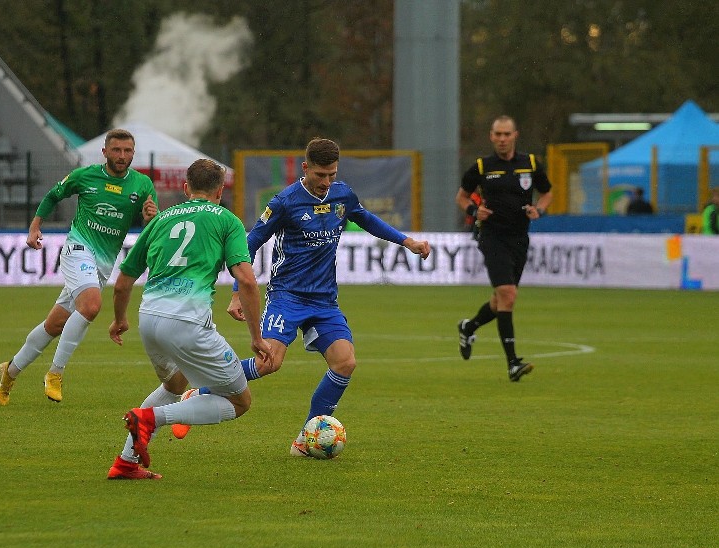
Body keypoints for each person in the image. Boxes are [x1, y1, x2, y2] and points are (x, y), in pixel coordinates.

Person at [226, 137, 431, 456]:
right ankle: (203, 388)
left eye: (332, 174)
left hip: (324, 301)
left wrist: (406, 242)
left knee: (345, 362)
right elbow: (250, 243)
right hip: (287, 296)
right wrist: (238, 292)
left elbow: (366, 219)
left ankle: (307, 440)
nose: (326, 182)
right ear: (305, 168)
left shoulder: (342, 195)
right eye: (320, 175)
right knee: (269, 363)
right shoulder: (284, 202)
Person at [108, 158, 273, 479]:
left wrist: (119, 320)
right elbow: (248, 281)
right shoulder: (227, 220)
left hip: (149, 319)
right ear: (220, 190)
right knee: (239, 401)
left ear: (186, 188)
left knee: (175, 381)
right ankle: (151, 418)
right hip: (186, 322)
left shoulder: (162, 218)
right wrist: (256, 337)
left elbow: (123, 280)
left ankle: (126, 463)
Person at [0, 128, 158, 405]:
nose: (121, 155)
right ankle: (55, 373)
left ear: (133, 153)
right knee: (92, 306)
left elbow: (151, 225)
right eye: (116, 150)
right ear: (105, 152)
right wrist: (35, 227)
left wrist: (150, 217)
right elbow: (52, 196)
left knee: (55, 324)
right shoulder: (85, 176)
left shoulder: (142, 185)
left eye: (127, 150)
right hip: (77, 249)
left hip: (104, 262)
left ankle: (9, 372)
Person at [455, 115, 552, 382]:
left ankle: (469, 326)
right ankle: (512, 363)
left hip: (520, 238)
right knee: (508, 295)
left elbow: (547, 192)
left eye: (506, 134)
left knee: (500, 302)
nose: (501, 139)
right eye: (497, 134)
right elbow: (461, 196)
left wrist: (539, 210)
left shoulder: (530, 164)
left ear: (515, 135)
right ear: (491, 136)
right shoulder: (482, 166)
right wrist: (475, 210)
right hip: (492, 237)